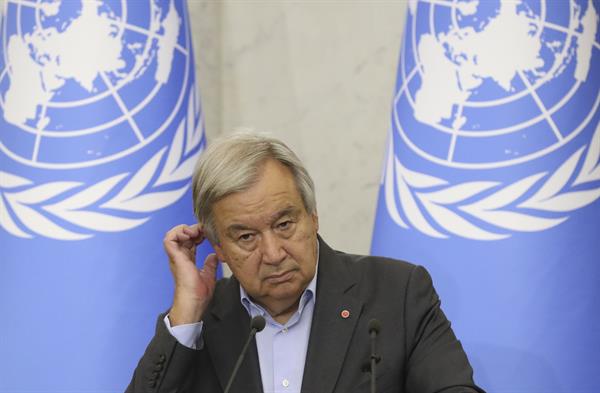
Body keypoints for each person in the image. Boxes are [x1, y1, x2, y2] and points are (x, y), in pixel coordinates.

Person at [126, 133, 484, 393]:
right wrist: (187, 315)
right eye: (246, 237)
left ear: (313, 216)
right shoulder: (200, 325)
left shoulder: (396, 295)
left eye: (284, 225)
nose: (274, 253)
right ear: (218, 247)